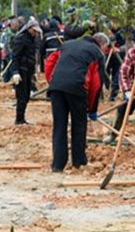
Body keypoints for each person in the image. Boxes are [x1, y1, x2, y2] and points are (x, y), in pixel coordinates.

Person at [45, 32, 107, 172]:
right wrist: (92, 110)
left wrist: (53, 82)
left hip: (57, 88)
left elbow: (49, 63)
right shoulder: (97, 53)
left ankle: (57, 164)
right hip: (77, 88)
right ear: (102, 45)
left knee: (59, 126)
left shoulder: (66, 45)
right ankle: (78, 162)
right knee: (79, 125)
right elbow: (96, 85)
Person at [11, 20, 42, 125]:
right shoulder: (21, 38)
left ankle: (22, 118)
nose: (35, 33)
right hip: (21, 70)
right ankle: (19, 119)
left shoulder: (33, 39)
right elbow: (15, 56)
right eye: (34, 30)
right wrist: (15, 72)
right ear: (29, 28)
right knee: (21, 96)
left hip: (29, 70)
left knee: (27, 95)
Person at [1, 18, 19, 83]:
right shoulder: (8, 33)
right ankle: (13, 80)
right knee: (11, 66)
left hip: (14, 51)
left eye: (17, 26)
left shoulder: (16, 32)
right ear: (11, 25)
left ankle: (6, 80)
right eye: (15, 26)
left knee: (9, 67)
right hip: (9, 52)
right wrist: (11, 53)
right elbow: (7, 44)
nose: (16, 27)